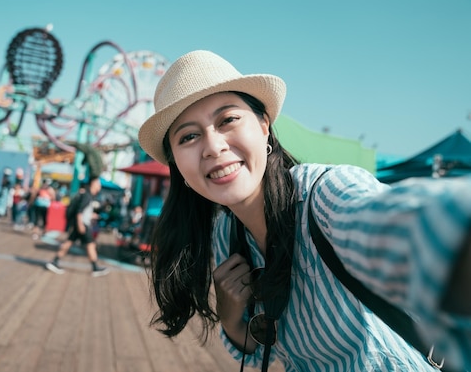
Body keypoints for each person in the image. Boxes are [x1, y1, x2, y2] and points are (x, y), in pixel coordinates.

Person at [137, 50, 471, 372]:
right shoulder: (226, 232)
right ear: (177, 165)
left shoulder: (323, 195)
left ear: (264, 126)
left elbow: (401, 223)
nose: (213, 147)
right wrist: (230, 316)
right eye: (189, 136)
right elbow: (253, 354)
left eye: (228, 119)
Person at [45, 176, 110, 277]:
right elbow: (79, 212)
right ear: (93, 184)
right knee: (90, 244)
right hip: (83, 224)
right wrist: (80, 225)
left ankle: (54, 261)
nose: (100, 186)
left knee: (69, 242)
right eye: (99, 184)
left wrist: (91, 216)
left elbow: (83, 211)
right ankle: (95, 267)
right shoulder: (87, 196)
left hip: (80, 223)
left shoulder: (88, 195)